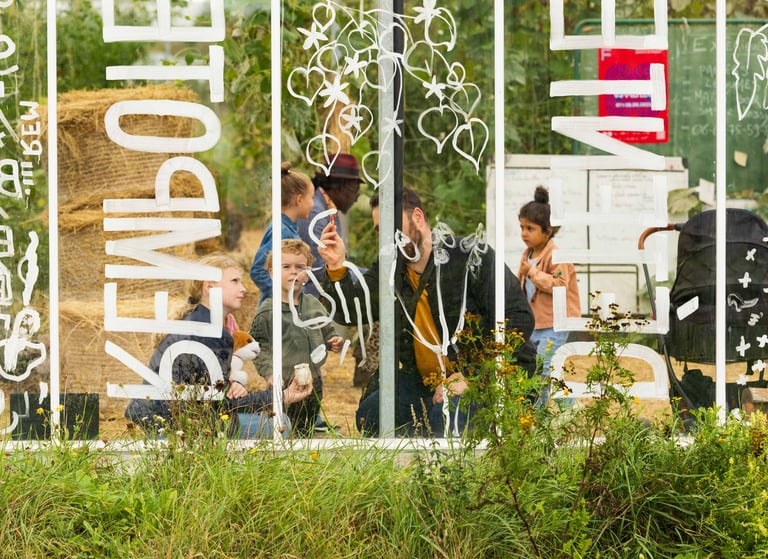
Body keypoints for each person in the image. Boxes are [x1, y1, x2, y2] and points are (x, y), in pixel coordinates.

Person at [317, 187, 538, 437]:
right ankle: (421, 459)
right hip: (425, 382)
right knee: (372, 416)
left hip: (485, 377)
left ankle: (457, 450)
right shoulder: (391, 268)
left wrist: (470, 376)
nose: (387, 238)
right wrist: (336, 268)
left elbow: (519, 318)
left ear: (418, 218)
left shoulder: (472, 257)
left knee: (444, 419)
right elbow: (354, 311)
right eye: (381, 231)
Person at [125, 253, 313, 438]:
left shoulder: (198, 321)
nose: (244, 288)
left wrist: (230, 386)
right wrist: (281, 397)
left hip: (162, 421)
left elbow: (207, 391)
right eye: (235, 281)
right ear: (209, 286)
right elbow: (221, 406)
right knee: (282, 424)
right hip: (178, 429)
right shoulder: (212, 332)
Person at [249, 239, 344, 437]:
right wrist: (269, 374)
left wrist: (333, 340)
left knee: (307, 427)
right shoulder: (268, 311)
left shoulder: (313, 304)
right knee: (285, 427)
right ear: (272, 273)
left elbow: (326, 328)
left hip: (314, 379)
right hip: (285, 383)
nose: (293, 271)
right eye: (286, 267)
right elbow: (259, 348)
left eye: (300, 267)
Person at [518, 185, 581, 405]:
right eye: (522, 227)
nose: (524, 233)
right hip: (536, 324)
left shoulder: (557, 255)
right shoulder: (528, 254)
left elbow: (561, 285)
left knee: (544, 369)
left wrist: (533, 272)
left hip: (555, 323)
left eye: (530, 228)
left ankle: (565, 409)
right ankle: (554, 412)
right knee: (540, 371)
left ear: (548, 231)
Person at [297, 152, 364, 297]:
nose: (356, 199)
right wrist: (368, 277)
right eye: (355, 191)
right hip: (310, 298)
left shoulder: (327, 208)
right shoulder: (316, 213)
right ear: (342, 187)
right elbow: (320, 270)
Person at [250, 161, 315, 305]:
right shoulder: (281, 231)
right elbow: (258, 271)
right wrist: (284, 295)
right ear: (299, 200)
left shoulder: (289, 228)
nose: (313, 204)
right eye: (311, 198)